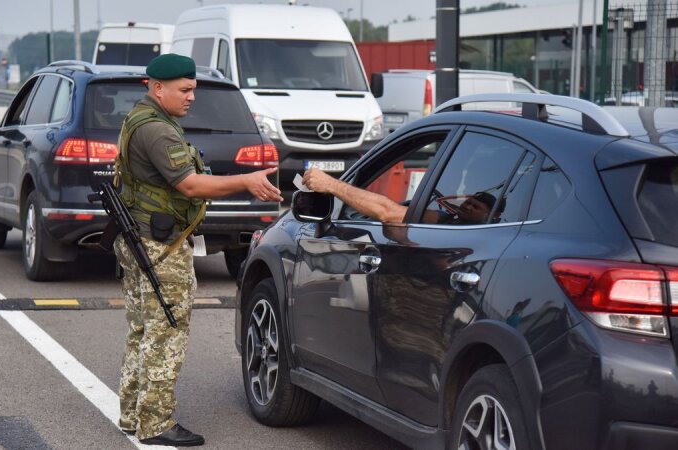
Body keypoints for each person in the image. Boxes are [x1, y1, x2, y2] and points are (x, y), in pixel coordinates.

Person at [113, 53, 282, 447]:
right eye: (184, 90)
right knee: (166, 331)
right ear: (157, 88)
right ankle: (155, 423)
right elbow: (189, 185)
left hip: (139, 239)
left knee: (142, 330)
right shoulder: (158, 131)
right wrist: (246, 181)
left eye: (193, 90)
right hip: (159, 246)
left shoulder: (140, 118)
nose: (191, 98)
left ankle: (131, 413)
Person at [302, 167, 502, 225]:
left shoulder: (486, 234)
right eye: (468, 202)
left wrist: (331, 184)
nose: (467, 207)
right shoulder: (443, 218)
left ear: (493, 217)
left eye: (476, 207)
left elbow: (387, 212)